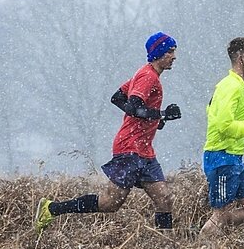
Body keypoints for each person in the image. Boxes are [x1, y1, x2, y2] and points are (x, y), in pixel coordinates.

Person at [35, 32, 182, 233]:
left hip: (144, 151)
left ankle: (168, 247)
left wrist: (157, 119)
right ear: (159, 53)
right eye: (170, 51)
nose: (174, 56)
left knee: (164, 199)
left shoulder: (146, 74)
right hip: (130, 148)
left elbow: (117, 98)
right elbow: (133, 107)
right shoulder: (148, 77)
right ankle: (51, 209)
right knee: (109, 203)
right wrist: (161, 113)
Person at [198, 37, 244, 238]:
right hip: (220, 157)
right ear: (240, 58)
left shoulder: (240, 85)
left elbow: (220, 114)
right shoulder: (230, 87)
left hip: (235, 158)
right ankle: (201, 246)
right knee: (220, 214)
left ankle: (212, 234)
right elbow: (223, 125)